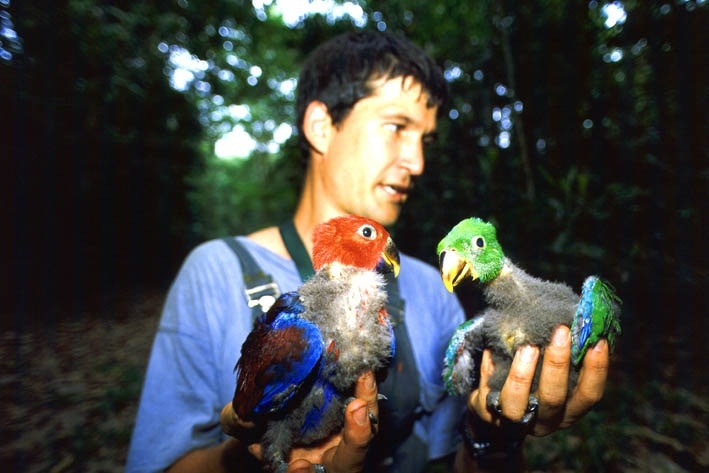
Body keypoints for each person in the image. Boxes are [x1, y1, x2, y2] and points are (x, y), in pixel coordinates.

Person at [125, 30, 610, 473]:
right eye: (397, 127)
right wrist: (246, 455)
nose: (416, 162)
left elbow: (452, 463)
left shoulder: (431, 290)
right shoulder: (216, 273)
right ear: (320, 127)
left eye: (426, 139)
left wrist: (492, 436)